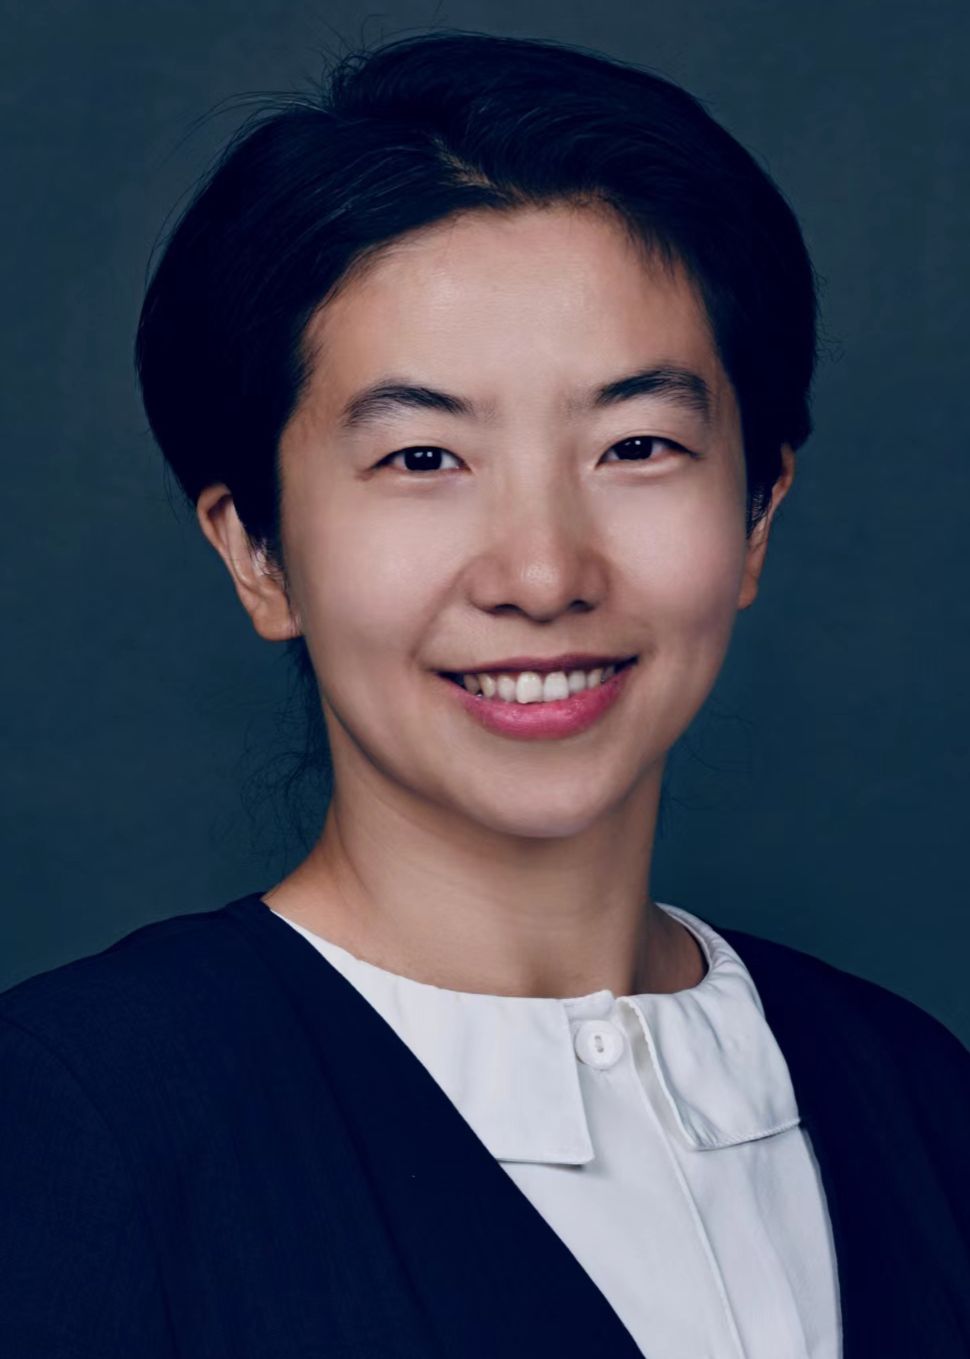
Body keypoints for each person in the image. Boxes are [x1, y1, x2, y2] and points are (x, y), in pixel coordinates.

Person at [1, 29, 967, 1359]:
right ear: (257, 552)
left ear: (755, 515)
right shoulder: (71, 1124)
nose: (542, 572)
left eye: (635, 445)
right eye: (422, 458)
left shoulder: (916, 1098)